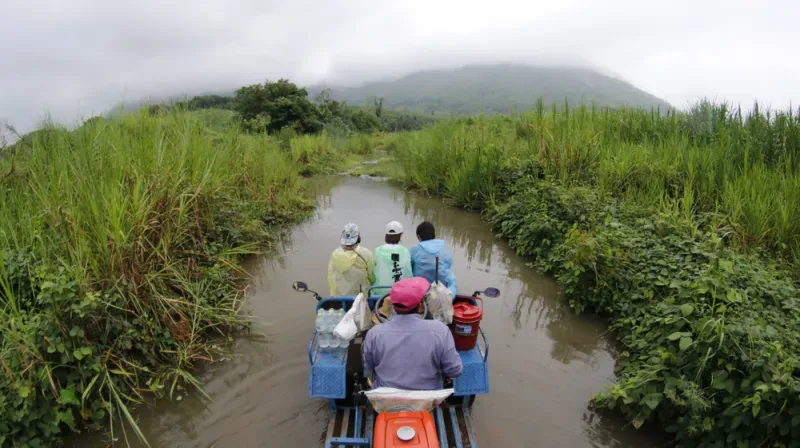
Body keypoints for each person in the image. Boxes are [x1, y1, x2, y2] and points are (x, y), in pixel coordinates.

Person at [362, 277, 463, 390]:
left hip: (387, 401)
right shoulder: (441, 331)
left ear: (393, 306)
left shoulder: (374, 334)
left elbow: (368, 369)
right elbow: (455, 370)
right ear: (420, 305)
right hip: (427, 401)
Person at [410, 221, 457, 297]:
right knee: (451, 281)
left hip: (421, 291)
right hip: (445, 291)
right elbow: (449, 264)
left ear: (419, 236)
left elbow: (409, 268)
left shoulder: (415, 249)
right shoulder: (444, 248)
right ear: (434, 234)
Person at [328, 223, 375, 296]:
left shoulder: (335, 254)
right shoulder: (366, 253)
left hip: (339, 298)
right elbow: (372, 277)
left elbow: (331, 277)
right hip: (361, 297)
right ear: (358, 237)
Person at [373, 221, 413, 289]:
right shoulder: (405, 251)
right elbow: (409, 274)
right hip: (400, 291)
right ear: (400, 235)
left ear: (386, 235)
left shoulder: (378, 251)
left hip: (380, 290)